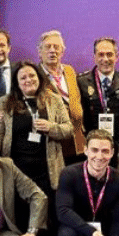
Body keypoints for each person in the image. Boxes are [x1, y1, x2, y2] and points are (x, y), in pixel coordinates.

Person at [0, 61, 73, 236]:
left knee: (43, 218)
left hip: (46, 170)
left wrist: (51, 128)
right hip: (15, 172)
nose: (28, 80)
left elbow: (68, 130)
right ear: (17, 83)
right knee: (19, 217)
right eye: (23, 78)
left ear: (39, 78)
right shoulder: (5, 102)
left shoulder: (53, 99)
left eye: (32, 76)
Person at [78, 38, 119, 151]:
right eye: (101, 55)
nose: (105, 59)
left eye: (109, 54)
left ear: (116, 57)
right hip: (93, 145)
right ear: (94, 57)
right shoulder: (81, 82)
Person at [38, 31, 85, 161]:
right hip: (54, 142)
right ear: (40, 51)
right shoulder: (35, 75)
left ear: (62, 52)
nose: (52, 51)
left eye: (56, 47)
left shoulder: (69, 71)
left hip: (77, 140)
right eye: (48, 47)